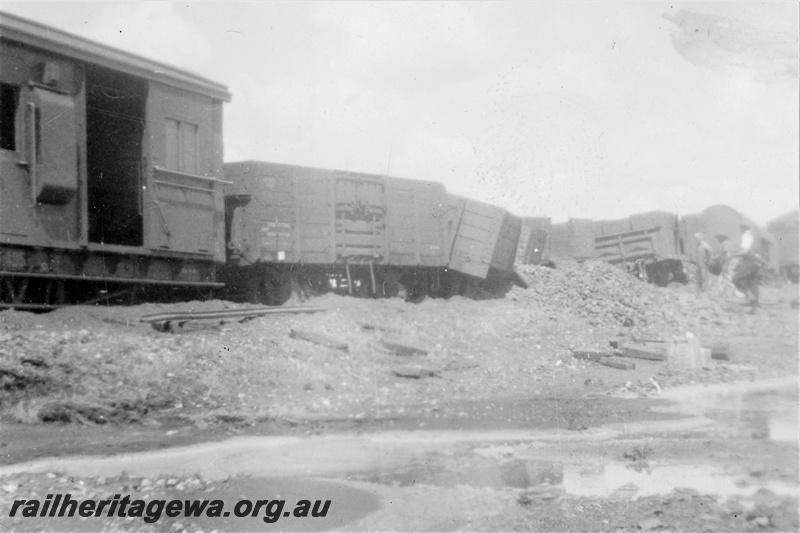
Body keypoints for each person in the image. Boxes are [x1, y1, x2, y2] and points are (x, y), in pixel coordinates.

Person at [731, 224, 760, 309]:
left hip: (749, 261)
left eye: (740, 229)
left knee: (736, 278)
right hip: (756, 261)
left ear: (743, 229)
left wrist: (732, 255)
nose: (739, 231)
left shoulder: (746, 236)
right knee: (752, 282)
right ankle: (755, 305)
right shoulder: (753, 236)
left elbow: (745, 252)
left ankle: (749, 295)